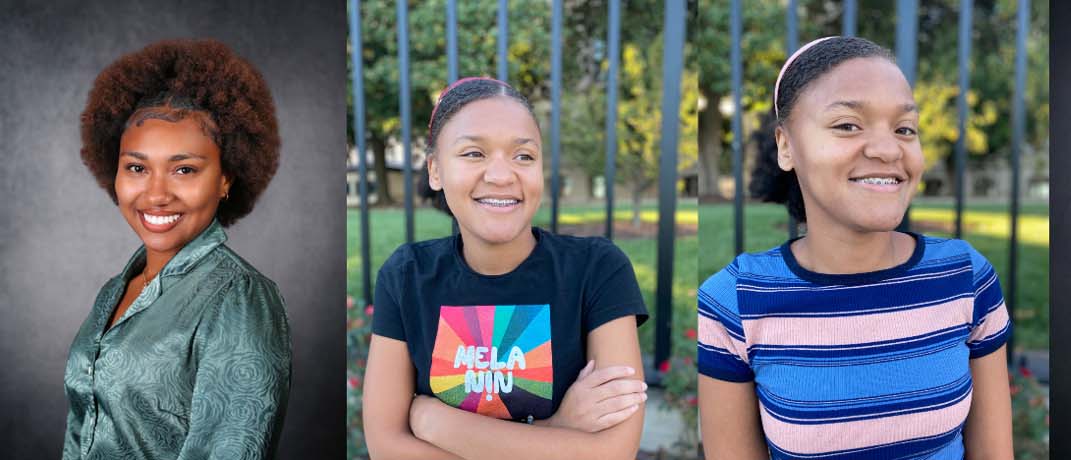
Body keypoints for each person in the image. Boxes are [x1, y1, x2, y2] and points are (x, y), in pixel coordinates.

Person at [698, 36, 1015, 460]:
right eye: (848, 125)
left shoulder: (965, 277)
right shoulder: (733, 304)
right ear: (786, 146)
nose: (887, 149)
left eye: (904, 129)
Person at [362, 77, 651, 459]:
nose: (501, 176)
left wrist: (438, 423)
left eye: (523, 156)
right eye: (473, 154)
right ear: (435, 171)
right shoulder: (406, 276)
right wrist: (557, 430)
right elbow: (387, 447)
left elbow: (614, 452)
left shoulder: (597, 270)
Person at [64, 38, 291, 459]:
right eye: (136, 167)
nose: (156, 193)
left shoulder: (238, 299)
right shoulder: (115, 291)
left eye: (184, 169)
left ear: (225, 179)